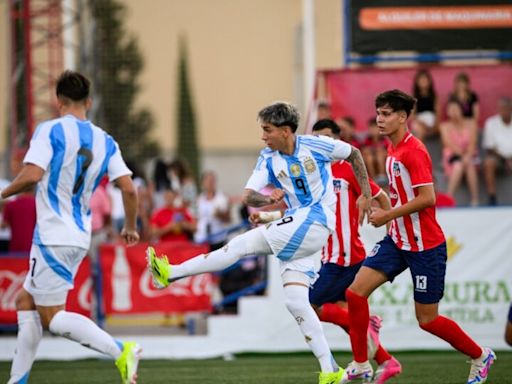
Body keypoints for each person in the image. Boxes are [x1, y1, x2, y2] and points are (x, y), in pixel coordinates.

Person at [147, 101, 373, 384]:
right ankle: (330, 370)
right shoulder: (268, 158)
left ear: (286, 131)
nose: (263, 136)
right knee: (296, 303)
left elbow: (353, 153)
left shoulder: (317, 145)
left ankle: (170, 273)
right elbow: (248, 196)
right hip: (298, 228)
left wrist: (365, 193)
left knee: (239, 246)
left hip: (315, 220)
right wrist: (267, 200)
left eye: (267, 130)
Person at [340, 89, 495, 384]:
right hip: (398, 241)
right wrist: (374, 200)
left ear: (402, 117)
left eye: (386, 114)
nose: (379, 119)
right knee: (354, 292)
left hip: (426, 247)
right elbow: (399, 194)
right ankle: (362, 363)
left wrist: (387, 215)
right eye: (378, 113)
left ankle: (480, 355)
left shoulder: (414, 151)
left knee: (428, 320)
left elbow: (428, 198)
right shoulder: (392, 149)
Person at [1, 70, 141, 384]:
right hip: (78, 236)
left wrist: (2, 192)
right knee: (26, 301)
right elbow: (130, 189)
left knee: (52, 317)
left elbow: (32, 175)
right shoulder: (106, 140)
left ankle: (120, 349)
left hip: (52, 235)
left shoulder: (49, 130)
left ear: (58, 100)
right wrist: (130, 226)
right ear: (88, 102)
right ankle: (18, 380)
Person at [310, 119, 401, 384]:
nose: (322, 144)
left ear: (338, 142)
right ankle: (386, 361)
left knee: (308, 305)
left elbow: (381, 197)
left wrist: (389, 231)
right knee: (346, 317)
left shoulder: (348, 169)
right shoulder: (314, 174)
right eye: (317, 139)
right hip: (331, 255)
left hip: (345, 256)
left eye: (328, 138)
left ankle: (370, 326)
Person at [440, 100, 480, 206]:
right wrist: (463, 157)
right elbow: (448, 143)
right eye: (450, 109)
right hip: (453, 155)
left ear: (461, 109)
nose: (453, 112)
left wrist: (467, 156)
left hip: (470, 155)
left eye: (455, 109)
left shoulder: (471, 123)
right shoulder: (444, 126)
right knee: (458, 166)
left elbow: (472, 143)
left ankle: (475, 200)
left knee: (470, 165)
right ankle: (449, 198)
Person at [482, 96, 512, 206]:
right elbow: (490, 148)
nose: (504, 111)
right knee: (488, 162)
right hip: (499, 159)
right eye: (501, 108)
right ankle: (492, 197)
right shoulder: (491, 123)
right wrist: (506, 160)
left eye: (506, 108)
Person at [194, 170, 231, 251]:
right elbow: (196, 218)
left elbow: (228, 219)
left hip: (218, 238)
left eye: (212, 181)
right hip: (202, 239)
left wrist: (220, 215)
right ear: (203, 183)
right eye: (208, 181)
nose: (210, 183)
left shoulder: (222, 198)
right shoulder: (199, 199)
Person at [410, 68, 440, 141]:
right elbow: (412, 115)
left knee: (442, 128)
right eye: (421, 79)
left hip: (432, 121)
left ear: (429, 81)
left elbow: (438, 112)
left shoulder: (434, 96)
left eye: (425, 79)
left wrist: (435, 125)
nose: (423, 81)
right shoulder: (414, 97)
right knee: (420, 130)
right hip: (419, 121)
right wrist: (422, 124)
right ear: (417, 82)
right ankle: (419, 151)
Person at [361, 118, 388, 185]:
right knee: (369, 157)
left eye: (375, 128)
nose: (373, 131)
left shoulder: (384, 139)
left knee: (380, 154)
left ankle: (382, 176)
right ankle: (373, 178)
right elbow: (364, 150)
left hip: (381, 156)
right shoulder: (367, 139)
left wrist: (378, 150)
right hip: (372, 156)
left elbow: (387, 150)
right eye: (371, 128)